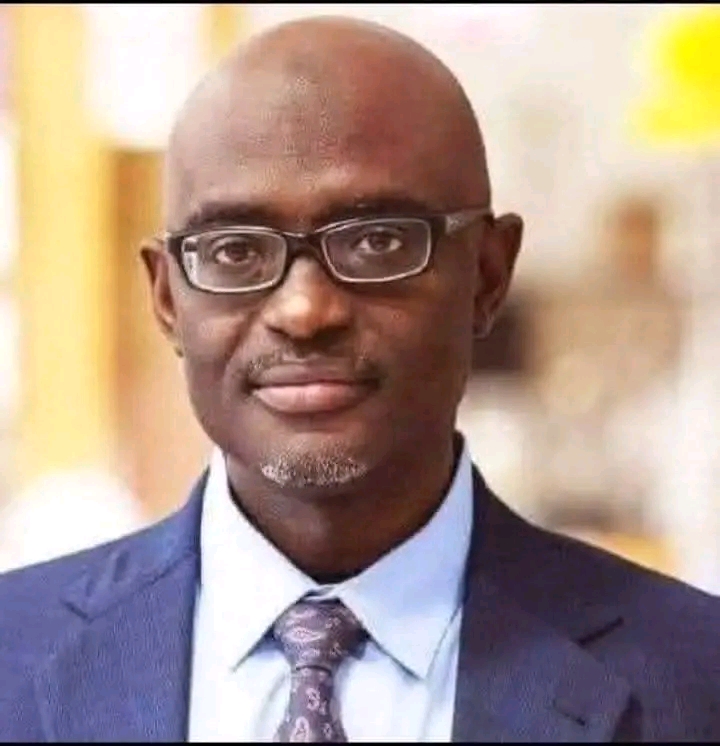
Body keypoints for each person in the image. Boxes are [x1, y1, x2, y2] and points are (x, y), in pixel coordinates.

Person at [1, 16, 719, 743]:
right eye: (236, 251)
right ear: (166, 297)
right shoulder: (13, 657)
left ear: (488, 275)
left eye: (378, 242)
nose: (304, 311)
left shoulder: (695, 682)